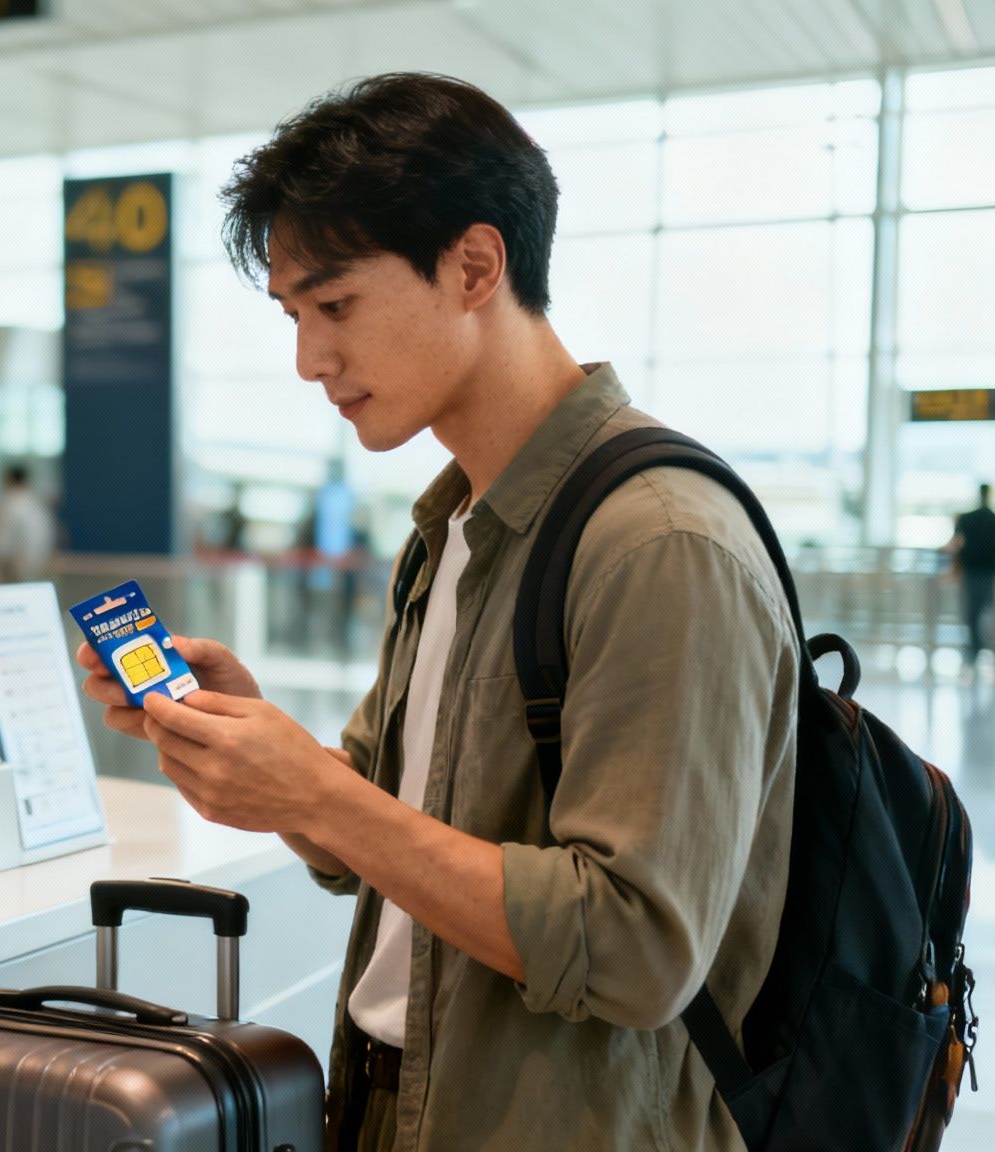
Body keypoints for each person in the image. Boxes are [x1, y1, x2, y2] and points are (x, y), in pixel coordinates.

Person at [77, 73, 797, 1151]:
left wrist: (317, 792)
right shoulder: (455, 524)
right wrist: (259, 756)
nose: (308, 360)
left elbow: (635, 949)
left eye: (333, 306)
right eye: (291, 316)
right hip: (393, 1101)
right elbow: (371, 836)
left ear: (472, 267)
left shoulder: (655, 544)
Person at [949, 484, 995, 668]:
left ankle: (976, 650)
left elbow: (957, 543)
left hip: (972, 570)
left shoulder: (968, 519)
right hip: (991, 572)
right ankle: (991, 649)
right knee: (992, 613)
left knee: (972, 613)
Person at [0, 464, 55, 583]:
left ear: (9, 479)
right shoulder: (36, 503)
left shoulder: (9, 502)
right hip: (37, 565)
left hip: (13, 565)